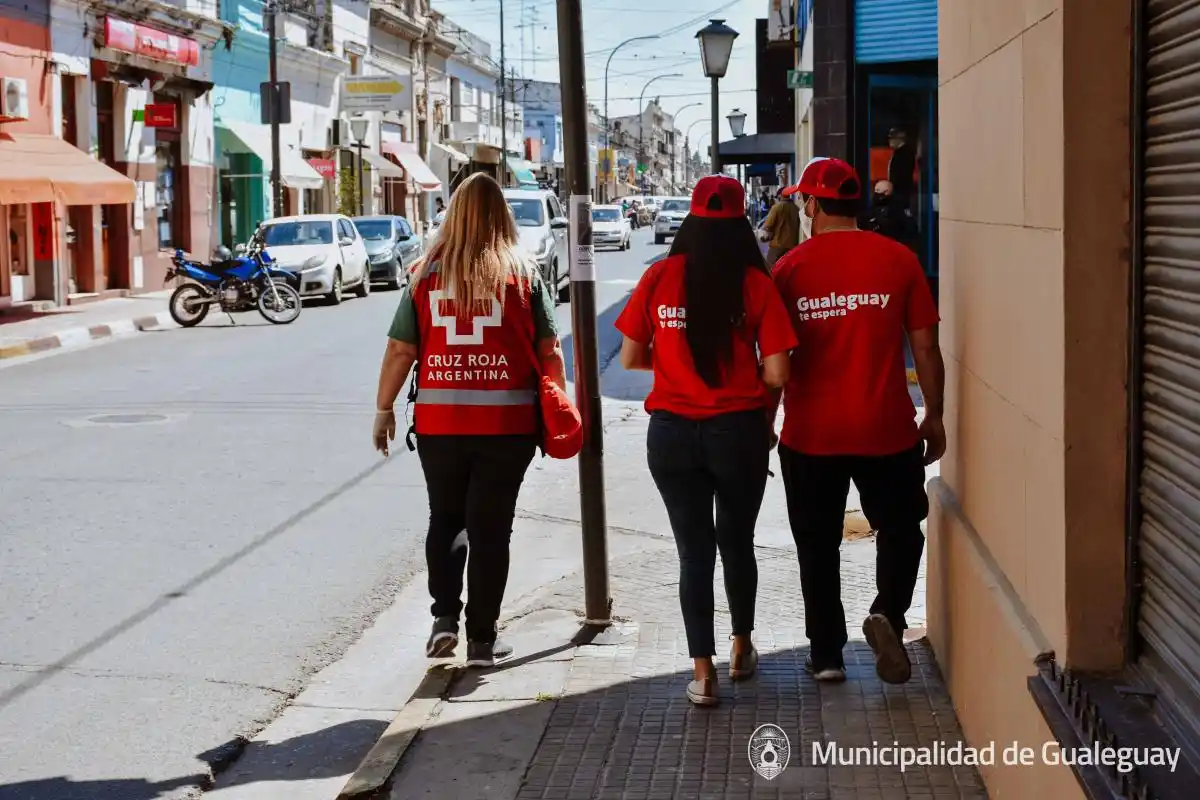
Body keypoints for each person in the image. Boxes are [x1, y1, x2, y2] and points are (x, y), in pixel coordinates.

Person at [615, 175, 798, 706]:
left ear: (691, 220)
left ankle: (702, 673)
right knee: (737, 542)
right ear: (742, 222)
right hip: (737, 431)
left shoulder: (658, 276)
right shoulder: (756, 283)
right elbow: (779, 372)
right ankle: (742, 647)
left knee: (693, 553)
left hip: (671, 433)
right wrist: (734, 372)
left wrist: (677, 364)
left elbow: (629, 357)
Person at [372, 172, 567, 668]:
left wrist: (383, 408)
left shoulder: (424, 273)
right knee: (491, 529)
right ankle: (482, 639)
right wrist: (561, 408)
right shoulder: (522, 273)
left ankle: (443, 620)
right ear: (503, 216)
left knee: (447, 518)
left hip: (441, 424)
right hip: (508, 427)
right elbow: (550, 351)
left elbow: (400, 350)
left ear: (452, 215)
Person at [770, 157, 945, 686]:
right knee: (901, 531)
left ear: (813, 205)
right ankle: (887, 615)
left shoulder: (790, 270)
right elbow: (926, 348)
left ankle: (826, 655)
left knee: (816, 543)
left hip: (811, 434)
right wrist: (934, 414)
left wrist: (761, 426)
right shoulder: (899, 260)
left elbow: (774, 362)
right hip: (886, 429)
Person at [862, 180, 917, 247]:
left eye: (878, 190)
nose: (875, 193)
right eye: (875, 190)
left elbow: (909, 229)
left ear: (886, 191)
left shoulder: (898, 208)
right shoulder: (872, 207)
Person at [761, 188, 801, 267]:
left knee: (770, 269)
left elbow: (768, 226)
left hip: (777, 246)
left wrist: (765, 237)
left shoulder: (776, 207)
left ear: (780, 195)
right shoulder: (796, 208)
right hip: (792, 247)